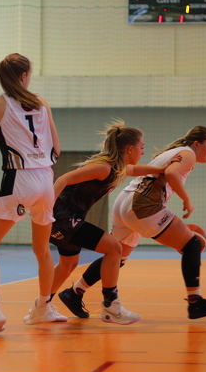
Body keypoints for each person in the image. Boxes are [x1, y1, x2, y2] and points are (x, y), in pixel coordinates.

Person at [59, 126, 206, 321]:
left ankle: (75, 292)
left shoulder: (175, 151)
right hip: (143, 205)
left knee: (117, 257)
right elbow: (172, 173)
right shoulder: (188, 154)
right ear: (196, 144)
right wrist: (186, 200)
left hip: (126, 201)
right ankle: (195, 302)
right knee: (192, 244)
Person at [49, 120, 180, 325]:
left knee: (68, 265)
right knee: (114, 248)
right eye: (142, 147)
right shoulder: (103, 168)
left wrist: (163, 169)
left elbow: (133, 169)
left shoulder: (116, 167)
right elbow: (62, 179)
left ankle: (41, 305)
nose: (143, 152)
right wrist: (46, 210)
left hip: (66, 218)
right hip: (63, 217)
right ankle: (111, 305)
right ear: (130, 149)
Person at [0, 53, 61, 336]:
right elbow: (57, 150)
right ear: (23, 76)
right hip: (46, 179)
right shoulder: (42, 103)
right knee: (42, 250)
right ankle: (44, 307)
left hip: (19, 178)